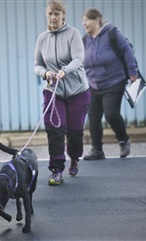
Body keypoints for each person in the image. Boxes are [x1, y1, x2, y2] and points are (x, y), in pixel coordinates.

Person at [34, 0, 90, 185]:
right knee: (54, 129)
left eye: (57, 14)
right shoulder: (42, 38)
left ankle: (74, 158)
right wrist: (45, 73)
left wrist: (65, 70)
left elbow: (78, 59)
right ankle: (56, 169)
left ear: (63, 15)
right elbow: (37, 65)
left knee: (74, 131)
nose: (53, 17)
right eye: (50, 13)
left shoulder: (73, 34)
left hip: (77, 91)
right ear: (46, 15)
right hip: (53, 90)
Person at [82, 8, 137, 160]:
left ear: (98, 19)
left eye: (87, 20)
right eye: (83, 21)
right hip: (94, 84)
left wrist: (133, 71)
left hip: (114, 81)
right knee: (93, 117)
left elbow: (126, 50)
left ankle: (123, 140)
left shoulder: (111, 33)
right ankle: (97, 150)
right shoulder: (85, 40)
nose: (84, 24)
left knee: (111, 114)